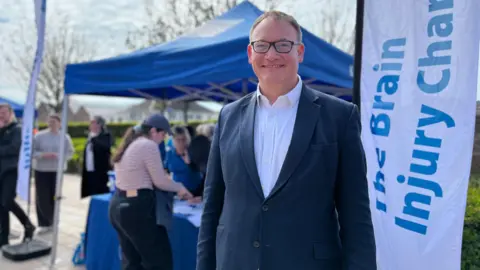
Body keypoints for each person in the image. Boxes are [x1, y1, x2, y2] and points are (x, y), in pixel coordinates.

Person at [196, 11, 376, 270]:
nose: (271, 55)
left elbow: (356, 216)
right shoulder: (229, 116)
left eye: (283, 45)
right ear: (250, 54)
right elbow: (212, 207)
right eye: (262, 45)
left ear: (300, 52)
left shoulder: (339, 116)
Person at [108, 113, 193, 270]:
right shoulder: (148, 145)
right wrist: (180, 188)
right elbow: (160, 181)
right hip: (136, 208)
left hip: (119, 204)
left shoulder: (132, 142)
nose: (164, 138)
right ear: (153, 131)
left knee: (132, 262)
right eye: (163, 134)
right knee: (159, 261)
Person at [0, 103, 36, 246]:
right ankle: (3, 237)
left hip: (12, 171)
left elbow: (14, 148)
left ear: (11, 113)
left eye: (4, 112)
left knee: (7, 201)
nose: (1, 115)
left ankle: (28, 224)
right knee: (1, 206)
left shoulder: (17, 129)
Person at [32, 113, 74, 234]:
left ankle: (53, 221)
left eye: (54, 122)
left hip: (57, 171)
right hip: (42, 170)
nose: (52, 124)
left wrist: (61, 157)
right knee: (42, 196)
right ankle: (44, 223)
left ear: (60, 123)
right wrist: (43, 155)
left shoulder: (65, 137)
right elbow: (32, 151)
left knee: (55, 196)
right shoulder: (39, 136)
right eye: (50, 122)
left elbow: (70, 152)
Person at [81, 116, 113, 198]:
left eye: (93, 123)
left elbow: (105, 147)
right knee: (90, 192)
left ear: (99, 125)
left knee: (99, 193)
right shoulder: (90, 136)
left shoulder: (105, 136)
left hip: (100, 171)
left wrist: (94, 139)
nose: (90, 125)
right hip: (89, 170)